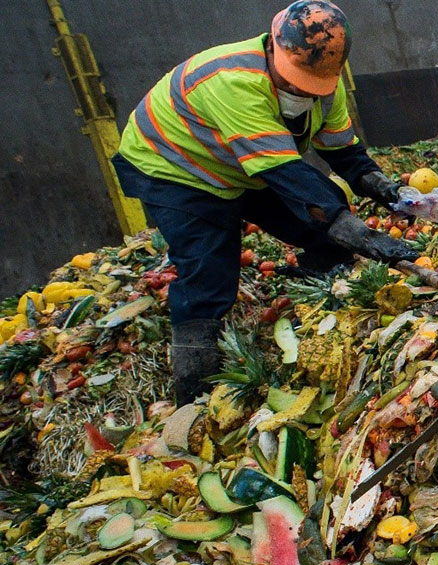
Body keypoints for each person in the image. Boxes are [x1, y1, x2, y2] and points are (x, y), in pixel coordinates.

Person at [111, 0, 418, 404]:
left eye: (308, 86)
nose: (298, 91)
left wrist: (384, 187)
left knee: (319, 220)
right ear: (272, 48)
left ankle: (324, 294)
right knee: (209, 268)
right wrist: (359, 232)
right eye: (291, 81)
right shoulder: (234, 81)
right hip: (176, 167)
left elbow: (343, 150)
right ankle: (193, 389)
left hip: (244, 161)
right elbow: (286, 175)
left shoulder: (326, 83)